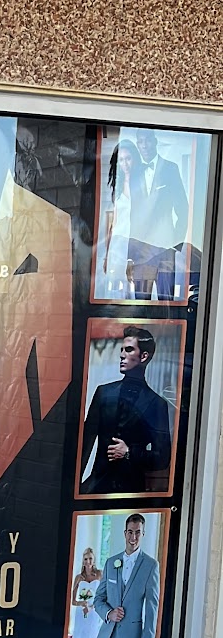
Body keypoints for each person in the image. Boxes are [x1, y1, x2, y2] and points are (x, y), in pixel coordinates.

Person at [80, 328, 173, 495]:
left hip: (131, 491)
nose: (122, 355)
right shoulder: (103, 393)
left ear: (143, 356)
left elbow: (163, 458)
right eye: (121, 350)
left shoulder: (157, 404)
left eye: (129, 350)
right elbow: (84, 444)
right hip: (96, 486)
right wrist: (72, 488)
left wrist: (129, 453)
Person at [90, 514, 160, 638]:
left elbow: (152, 607)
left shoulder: (151, 565)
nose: (133, 537)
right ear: (125, 533)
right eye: (130, 532)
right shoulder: (111, 563)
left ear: (143, 534)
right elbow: (98, 599)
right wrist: (109, 613)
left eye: (137, 532)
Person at [128, 128, 188, 301]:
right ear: (137, 145)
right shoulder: (134, 173)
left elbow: (183, 208)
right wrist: (131, 255)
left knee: (166, 303)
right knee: (141, 303)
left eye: (147, 140)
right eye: (140, 142)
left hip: (165, 249)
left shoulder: (170, 168)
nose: (144, 145)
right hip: (141, 252)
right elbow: (133, 215)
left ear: (154, 141)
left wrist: (175, 244)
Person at [100, 140, 144, 300]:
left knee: (133, 284)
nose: (125, 164)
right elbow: (115, 222)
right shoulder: (117, 186)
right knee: (115, 286)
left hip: (135, 240)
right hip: (118, 242)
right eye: (121, 160)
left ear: (135, 159)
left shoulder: (142, 183)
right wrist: (107, 254)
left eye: (128, 158)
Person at [66, 545, 103, 638]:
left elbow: (103, 595)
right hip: (81, 613)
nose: (88, 562)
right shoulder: (79, 577)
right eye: (86, 559)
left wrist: (91, 606)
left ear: (94, 560)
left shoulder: (99, 574)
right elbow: (72, 600)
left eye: (90, 559)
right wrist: (82, 604)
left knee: (92, 637)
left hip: (94, 612)